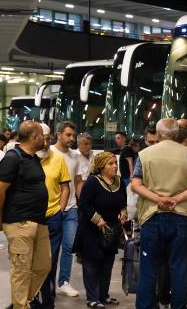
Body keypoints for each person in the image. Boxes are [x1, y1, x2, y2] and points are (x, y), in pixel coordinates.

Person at [131, 118, 187, 309]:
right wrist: (176, 200)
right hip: (180, 218)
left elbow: (135, 184)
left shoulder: (144, 154)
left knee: (149, 268)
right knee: (179, 268)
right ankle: (179, 306)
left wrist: (158, 199)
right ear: (176, 134)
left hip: (151, 216)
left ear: (159, 133)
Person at [0, 121, 50, 309]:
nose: (45, 138)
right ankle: (21, 305)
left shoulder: (33, 158)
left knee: (43, 266)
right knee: (21, 271)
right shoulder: (13, 158)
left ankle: (21, 301)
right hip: (19, 222)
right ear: (34, 137)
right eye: (42, 134)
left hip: (39, 222)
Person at [74, 151, 127, 308]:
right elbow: (83, 203)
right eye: (110, 164)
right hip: (92, 230)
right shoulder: (92, 182)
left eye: (115, 163)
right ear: (101, 166)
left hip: (111, 230)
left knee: (107, 264)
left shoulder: (119, 182)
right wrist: (97, 219)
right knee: (91, 264)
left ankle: (103, 295)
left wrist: (123, 212)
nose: (115, 166)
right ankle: (92, 298)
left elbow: (123, 201)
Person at [33, 124, 72, 308]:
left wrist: (61, 209)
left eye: (48, 139)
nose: (47, 143)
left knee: (50, 262)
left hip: (53, 218)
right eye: (43, 139)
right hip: (30, 218)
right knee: (31, 262)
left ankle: (48, 301)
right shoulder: (25, 159)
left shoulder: (58, 159)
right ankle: (32, 299)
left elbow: (65, 187)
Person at [48, 121, 82, 298]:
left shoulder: (76, 156)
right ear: (59, 134)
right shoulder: (49, 152)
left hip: (71, 209)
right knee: (51, 250)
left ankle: (64, 282)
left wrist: (81, 202)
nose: (71, 138)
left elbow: (77, 181)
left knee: (68, 247)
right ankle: (49, 282)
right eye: (68, 135)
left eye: (73, 136)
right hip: (52, 209)